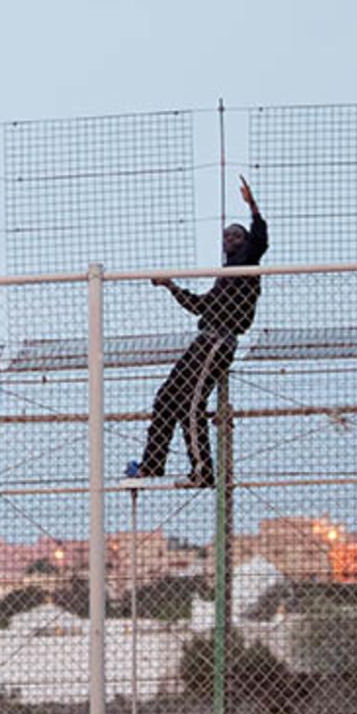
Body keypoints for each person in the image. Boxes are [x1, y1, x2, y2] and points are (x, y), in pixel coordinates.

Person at [126, 177, 268, 488]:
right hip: (204, 339)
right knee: (166, 396)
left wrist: (252, 207)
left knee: (190, 403)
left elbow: (260, 242)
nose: (231, 239)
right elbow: (199, 305)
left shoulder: (246, 265)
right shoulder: (224, 279)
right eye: (226, 236)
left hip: (220, 340)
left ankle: (203, 472)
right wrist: (171, 286)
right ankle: (152, 464)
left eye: (236, 235)